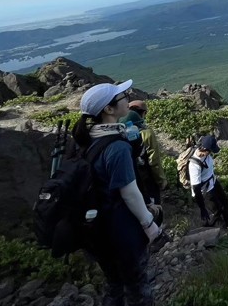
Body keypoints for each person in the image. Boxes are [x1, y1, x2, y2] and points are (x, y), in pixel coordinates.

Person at [71, 80, 160, 306]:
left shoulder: (86, 139)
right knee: (137, 287)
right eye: (122, 98)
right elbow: (129, 193)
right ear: (108, 110)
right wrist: (149, 223)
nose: (127, 101)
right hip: (121, 230)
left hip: (95, 230)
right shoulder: (116, 147)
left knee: (114, 285)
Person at [120, 106, 166, 205]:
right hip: (146, 177)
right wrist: (161, 180)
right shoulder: (147, 134)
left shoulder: (119, 138)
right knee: (154, 206)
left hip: (129, 181)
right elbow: (154, 160)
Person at [189, 135, 228, 228]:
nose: (211, 153)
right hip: (205, 190)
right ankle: (222, 229)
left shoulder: (206, 154)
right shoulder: (194, 166)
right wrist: (202, 208)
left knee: (224, 201)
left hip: (213, 181)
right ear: (205, 149)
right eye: (210, 151)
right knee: (216, 210)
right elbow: (196, 189)